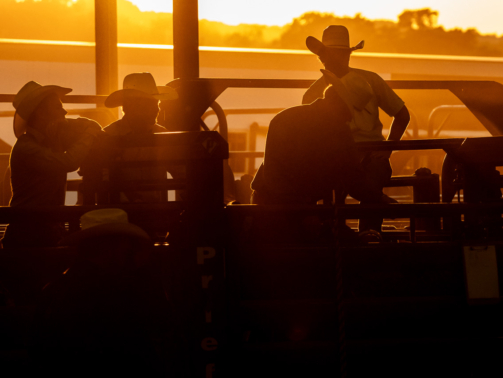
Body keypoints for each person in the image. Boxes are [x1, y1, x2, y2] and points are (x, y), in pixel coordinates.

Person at [303, 25, 410, 231]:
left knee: (342, 186)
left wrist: (386, 150)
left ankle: (360, 235)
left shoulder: (314, 93)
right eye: (329, 54)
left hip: (367, 156)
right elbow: (402, 115)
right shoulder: (315, 93)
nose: (332, 59)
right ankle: (354, 235)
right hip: (339, 157)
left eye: (337, 53)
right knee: (351, 184)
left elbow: (402, 115)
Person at [251, 71, 392, 208]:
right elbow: (352, 178)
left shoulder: (284, 118)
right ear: (339, 106)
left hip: (268, 199)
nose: (349, 120)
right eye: (348, 113)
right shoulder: (339, 132)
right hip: (290, 205)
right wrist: (380, 198)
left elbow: (274, 173)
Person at [1, 81, 102, 248]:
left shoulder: (42, 142)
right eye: (57, 107)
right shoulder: (26, 148)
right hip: (30, 233)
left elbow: (89, 125)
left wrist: (68, 125)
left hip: (38, 228)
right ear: (41, 112)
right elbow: (68, 162)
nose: (64, 111)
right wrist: (89, 134)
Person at [102, 72, 179, 204]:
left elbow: (181, 172)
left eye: (157, 104)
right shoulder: (107, 136)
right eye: (151, 104)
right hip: (121, 215)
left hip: (146, 213)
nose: (157, 109)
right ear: (132, 106)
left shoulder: (109, 135)